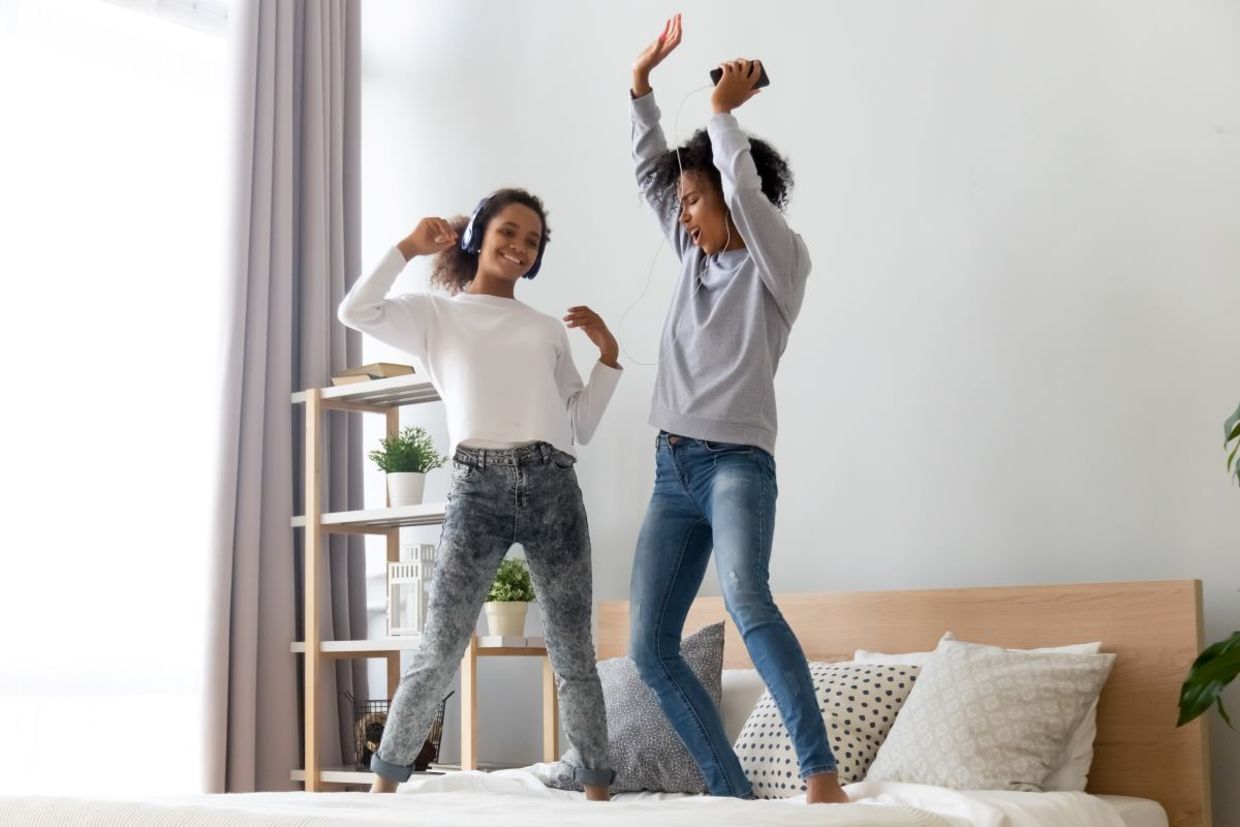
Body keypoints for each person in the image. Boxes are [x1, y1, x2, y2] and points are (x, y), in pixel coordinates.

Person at [625, 16, 848, 804]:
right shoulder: (690, 254)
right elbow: (654, 172)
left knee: (748, 600)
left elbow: (743, 192)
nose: (683, 215)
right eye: (681, 204)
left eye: (695, 200)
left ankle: (821, 775)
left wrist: (724, 117)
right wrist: (643, 86)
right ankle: (730, 789)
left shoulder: (778, 265)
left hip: (735, 466)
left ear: (726, 188)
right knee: (649, 647)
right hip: (670, 467)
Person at [338, 188, 621, 800]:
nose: (520, 247)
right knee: (441, 645)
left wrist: (609, 358)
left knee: (573, 650)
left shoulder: (546, 328)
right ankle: (383, 789)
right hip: (477, 489)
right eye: (509, 233)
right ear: (479, 235)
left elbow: (581, 424)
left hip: (553, 485)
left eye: (532, 242)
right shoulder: (435, 315)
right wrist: (409, 248)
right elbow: (355, 312)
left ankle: (598, 791)